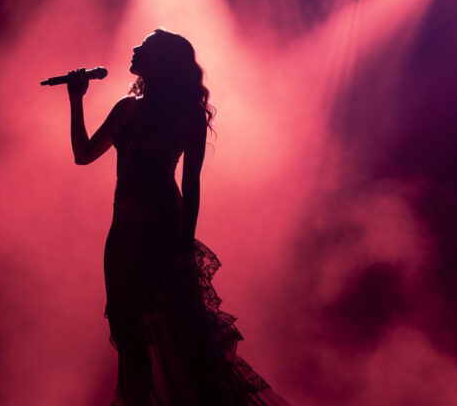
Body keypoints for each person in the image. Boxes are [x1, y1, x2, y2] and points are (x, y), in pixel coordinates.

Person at [65, 28, 291, 406]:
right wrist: (76, 100)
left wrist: (184, 244)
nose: (134, 48)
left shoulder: (187, 115)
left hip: (160, 227)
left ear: (163, 60)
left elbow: (191, 184)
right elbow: (83, 154)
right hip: (122, 230)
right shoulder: (126, 107)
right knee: (124, 324)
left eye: (145, 46)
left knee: (172, 326)